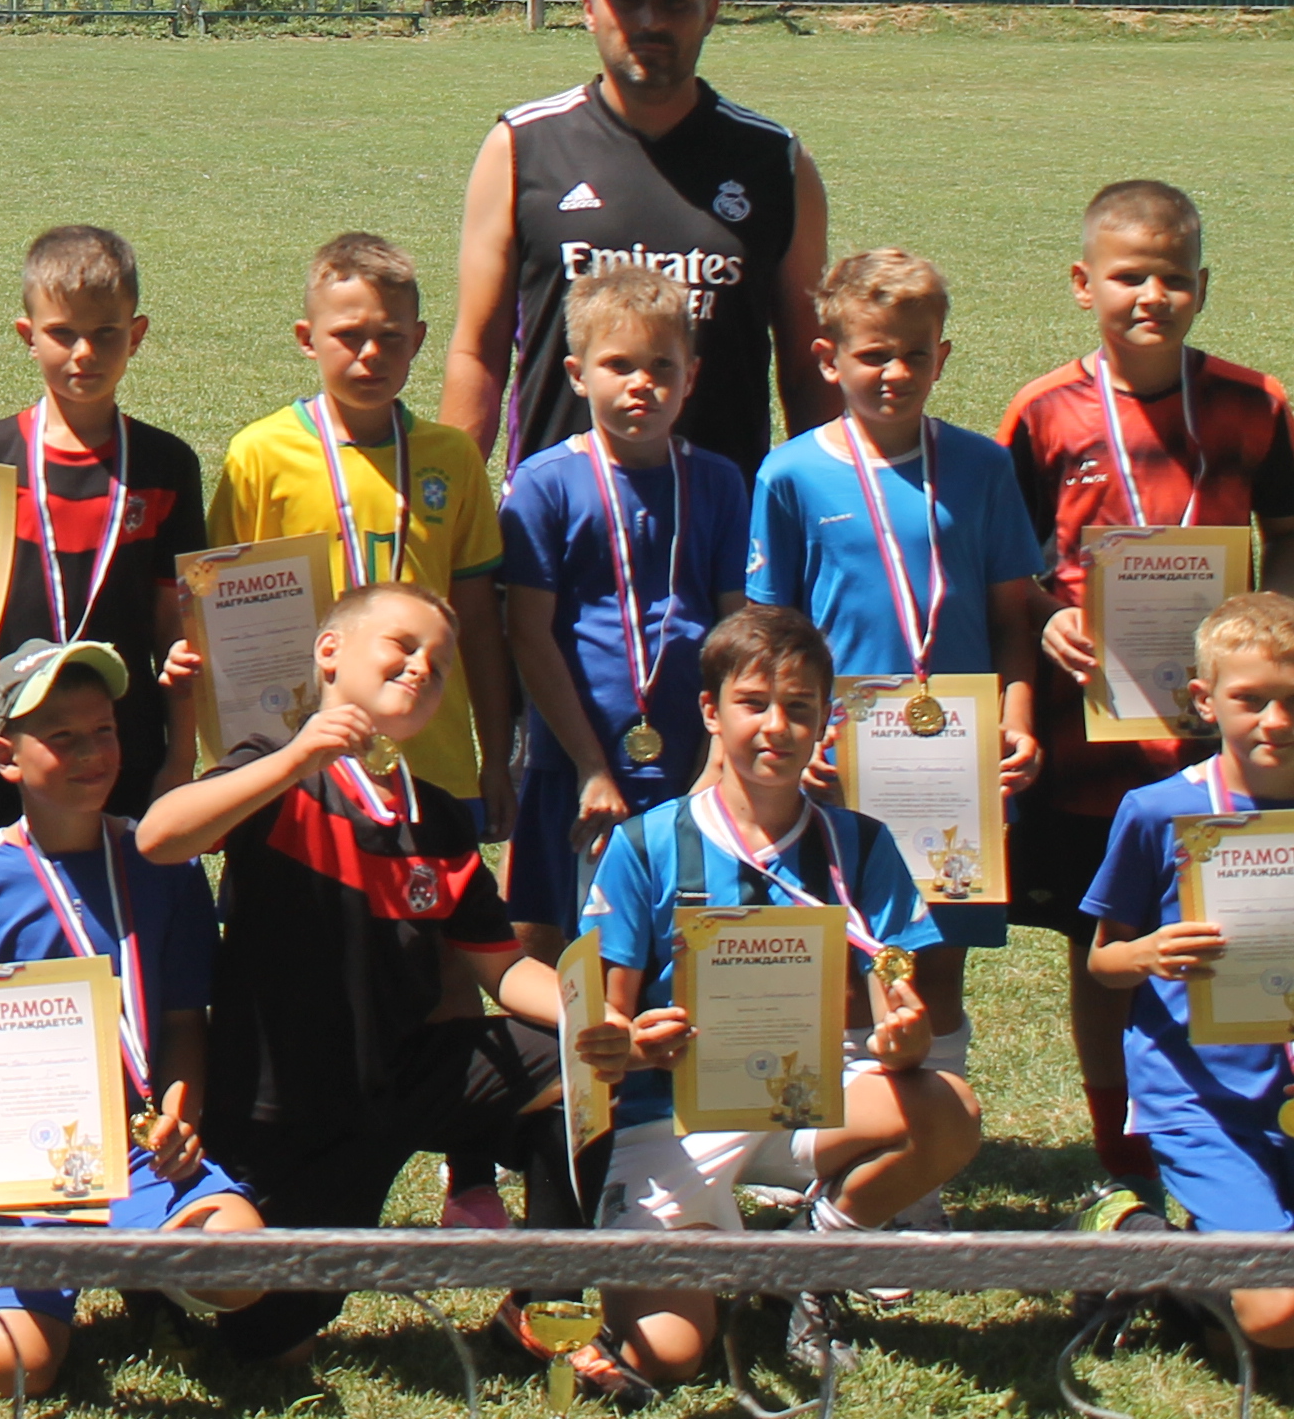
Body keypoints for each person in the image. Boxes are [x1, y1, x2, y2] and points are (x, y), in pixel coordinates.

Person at [141, 581, 574, 1364]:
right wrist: (299, 752)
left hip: (403, 1081)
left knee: (582, 1074)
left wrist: (596, 1021)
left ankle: (544, 1306)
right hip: (281, 1109)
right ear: (330, 652)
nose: (420, 669)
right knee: (265, 1346)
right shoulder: (271, 772)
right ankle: (186, 1289)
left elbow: (503, 971)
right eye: (402, 647)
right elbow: (161, 838)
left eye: (438, 666)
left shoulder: (438, 819)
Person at [573, 602, 970, 1392]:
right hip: (672, 1118)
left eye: (800, 709)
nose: (777, 728)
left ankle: (810, 1263)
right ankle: (689, 1263)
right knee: (670, 1356)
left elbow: (905, 1013)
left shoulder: (859, 844)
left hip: (798, 1099)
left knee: (945, 1109)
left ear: (827, 720)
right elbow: (607, 1024)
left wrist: (908, 1043)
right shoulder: (648, 843)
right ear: (711, 713)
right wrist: (632, 1042)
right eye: (754, 704)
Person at [1003, 180, 1294, 1213]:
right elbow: (1016, 560)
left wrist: (1269, 635)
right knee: (1106, 939)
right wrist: (1048, 615)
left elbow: (1287, 532)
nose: (1153, 295)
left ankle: (1244, 1118)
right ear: (1086, 283)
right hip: (1095, 737)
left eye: (1175, 277)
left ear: (1203, 287)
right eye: (1131, 276)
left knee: (1250, 918)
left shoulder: (1256, 403)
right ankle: (1119, 1147)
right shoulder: (1043, 411)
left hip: (1226, 732)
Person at [0, 639, 263, 1402]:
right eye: (61, 738)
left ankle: (150, 1271)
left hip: (139, 1151)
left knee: (241, 1269)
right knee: (13, 1372)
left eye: (103, 731)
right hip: (16, 1168)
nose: (91, 753)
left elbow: (181, 1020)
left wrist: (179, 1110)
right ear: (6, 757)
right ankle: (10, 1285)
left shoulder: (161, 862)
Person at [745, 247, 1047, 1070]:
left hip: (958, 763)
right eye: (873, 353)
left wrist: (1016, 721)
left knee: (936, 963)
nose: (895, 371)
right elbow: (772, 638)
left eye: (915, 354)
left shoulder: (981, 468)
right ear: (828, 357)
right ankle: (850, 1163)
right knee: (847, 957)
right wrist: (797, 740)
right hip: (842, 763)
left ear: (942, 357)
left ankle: (925, 1173)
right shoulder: (792, 474)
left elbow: (1012, 620)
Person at [444, 0, 832, 484]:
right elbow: (478, 352)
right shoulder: (522, 147)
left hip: (722, 533)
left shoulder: (775, 160)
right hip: (559, 527)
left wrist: (821, 511)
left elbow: (807, 367)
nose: (650, 20)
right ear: (589, 10)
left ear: (711, 13)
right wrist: (449, 503)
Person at [0, 224, 205, 863]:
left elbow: (175, 633)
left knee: (122, 935)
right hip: (2, 749)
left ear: (136, 335)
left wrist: (179, 762)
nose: (84, 352)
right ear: (28, 337)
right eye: (62, 333)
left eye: (106, 333)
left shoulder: (166, 465)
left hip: (123, 750)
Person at [214, 233, 512, 835]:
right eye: (348, 336)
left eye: (390, 338)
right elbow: (221, 621)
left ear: (419, 341)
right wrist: (228, 765)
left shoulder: (451, 458)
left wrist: (497, 760)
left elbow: (478, 621)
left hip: (434, 758)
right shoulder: (260, 454)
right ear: (307, 339)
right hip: (296, 759)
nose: (370, 354)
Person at [498, 264, 748, 957]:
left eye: (662, 366)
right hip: (576, 769)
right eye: (619, 365)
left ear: (691, 376)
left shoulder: (721, 483)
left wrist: (718, 758)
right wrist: (590, 766)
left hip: (691, 764)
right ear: (577, 374)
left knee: (688, 947)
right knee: (563, 947)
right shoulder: (544, 486)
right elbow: (530, 634)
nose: (642, 383)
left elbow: (736, 634)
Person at [1082, 590, 1294, 1347]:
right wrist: (1145, 955)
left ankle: (1214, 1248)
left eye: (1292, 701)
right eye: (1251, 699)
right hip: (1205, 1099)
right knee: (1280, 1316)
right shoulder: (1157, 810)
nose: (1275, 721)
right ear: (1204, 700)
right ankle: (1145, 1244)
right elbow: (1105, 958)